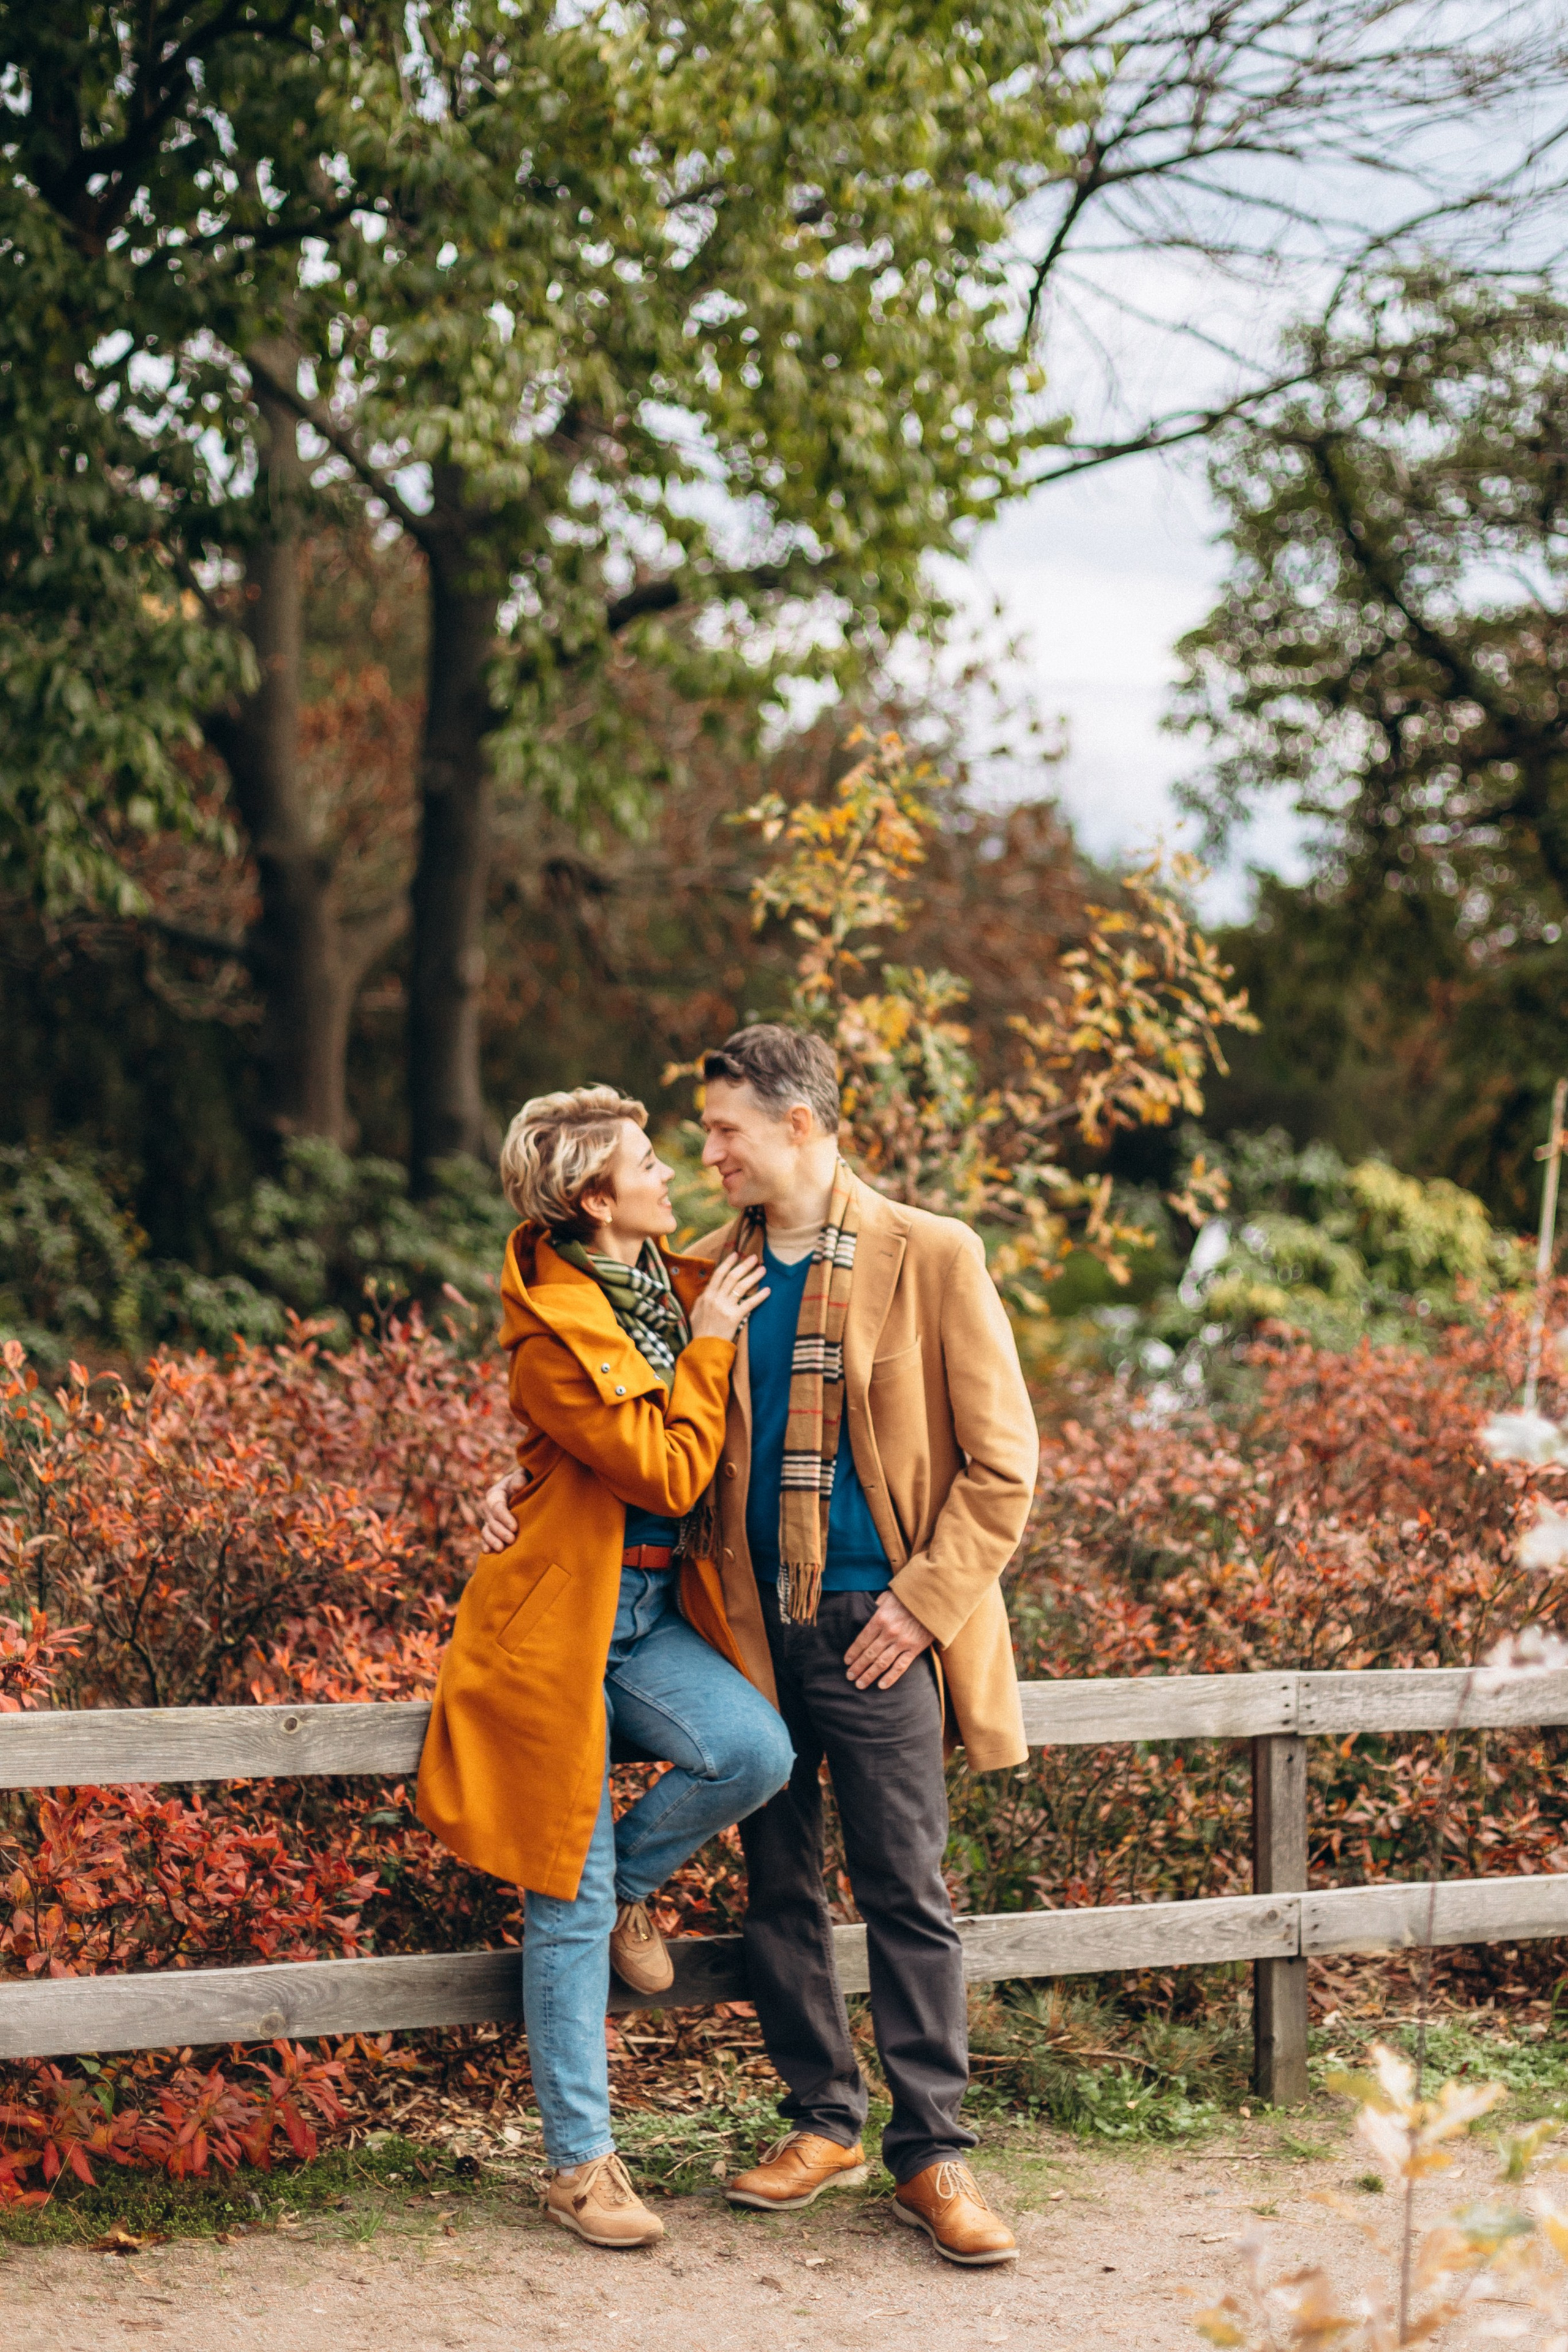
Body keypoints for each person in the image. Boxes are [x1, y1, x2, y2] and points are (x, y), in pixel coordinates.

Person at [481, 1027, 1039, 2267]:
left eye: (725, 1129)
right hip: (740, 1625)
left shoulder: (931, 1255)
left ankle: (932, 2157)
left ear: (797, 1123)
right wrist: (509, 1490)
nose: (705, 1152)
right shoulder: (699, 1277)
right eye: (694, 1137)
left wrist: (924, 1604)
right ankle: (820, 2121)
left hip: (880, 1627)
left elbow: (1005, 1466)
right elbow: (593, 1395)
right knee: (777, 1886)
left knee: (905, 1887)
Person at [418, 1084, 794, 2252]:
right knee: (562, 1902)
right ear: (595, 1197)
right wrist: (715, 1349)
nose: (672, 1172)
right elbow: (664, 1473)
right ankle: (582, 2165)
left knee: (753, 1750)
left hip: (646, 1611)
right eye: (647, 1161)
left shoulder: (671, 1285)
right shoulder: (555, 1337)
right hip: (556, 1626)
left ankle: (629, 1885)